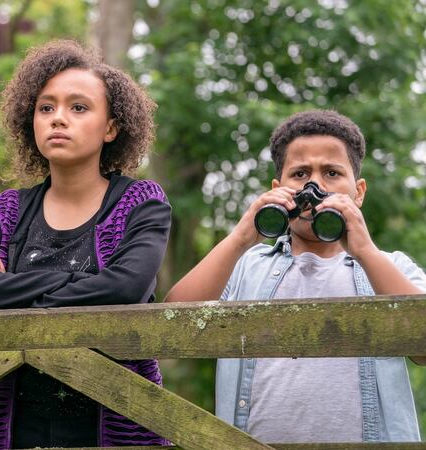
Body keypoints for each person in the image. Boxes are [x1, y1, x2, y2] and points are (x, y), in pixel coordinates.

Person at [0, 40, 172, 449]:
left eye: (78, 107)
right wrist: (82, 283)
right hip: (16, 430)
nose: (58, 118)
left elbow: (127, 288)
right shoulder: (8, 211)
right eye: (46, 108)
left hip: (121, 424)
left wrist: (7, 288)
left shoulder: (140, 202)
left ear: (111, 127)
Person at [165, 109, 425, 442]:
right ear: (277, 188)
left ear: (358, 192)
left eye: (332, 173)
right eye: (300, 174)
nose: (315, 186)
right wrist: (243, 236)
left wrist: (366, 252)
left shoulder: (389, 266)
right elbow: (174, 327)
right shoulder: (246, 265)